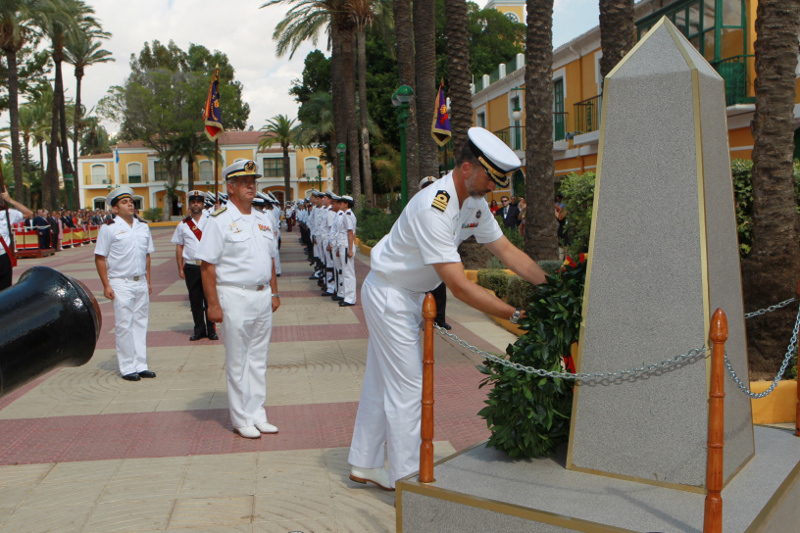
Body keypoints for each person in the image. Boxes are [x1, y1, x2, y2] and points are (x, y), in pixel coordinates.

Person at [347, 127, 548, 490]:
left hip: (410, 294)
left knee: (382, 382)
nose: (494, 188)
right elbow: (459, 286)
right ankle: (409, 483)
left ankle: (364, 463)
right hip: (391, 294)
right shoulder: (434, 206)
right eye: (491, 179)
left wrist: (551, 286)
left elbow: (506, 251)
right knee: (408, 391)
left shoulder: (474, 203)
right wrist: (516, 314)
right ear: (468, 168)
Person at [196, 160, 281, 439]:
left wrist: (274, 291)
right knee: (237, 360)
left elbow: (269, 258)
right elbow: (206, 264)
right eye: (245, 182)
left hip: (262, 294)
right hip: (234, 295)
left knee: (258, 359)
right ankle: (241, 417)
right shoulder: (219, 220)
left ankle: (258, 413)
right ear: (230, 188)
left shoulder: (262, 218)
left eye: (253, 181)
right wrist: (213, 305)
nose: (251, 185)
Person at [94, 186, 156, 381]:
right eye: (124, 202)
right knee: (124, 325)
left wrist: (148, 280)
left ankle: (141, 364)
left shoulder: (143, 227)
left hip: (140, 281)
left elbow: (147, 256)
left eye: (130, 201)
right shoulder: (109, 228)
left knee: (140, 323)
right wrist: (106, 285)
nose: (130, 204)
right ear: (114, 209)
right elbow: (100, 257)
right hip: (120, 282)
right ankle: (128, 367)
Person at [171, 190, 218, 342]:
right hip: (191, 267)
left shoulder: (212, 221)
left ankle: (211, 330)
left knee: (209, 298)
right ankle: (199, 330)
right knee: (195, 300)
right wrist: (180, 268)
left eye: (198, 202)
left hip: (207, 266)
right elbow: (179, 247)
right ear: (189, 205)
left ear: (203, 204)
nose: (195, 204)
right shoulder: (183, 225)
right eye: (193, 202)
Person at [419, 176, 450, 329]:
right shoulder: (417, 205)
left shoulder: (443, 206)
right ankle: (423, 317)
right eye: (427, 187)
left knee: (439, 287)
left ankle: (440, 318)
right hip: (422, 254)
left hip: (438, 252)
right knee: (421, 287)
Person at [0, 187, 33, 290]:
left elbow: (29, 213)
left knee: (5, 289)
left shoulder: (6, 213)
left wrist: (10, 200)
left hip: (2, 257)